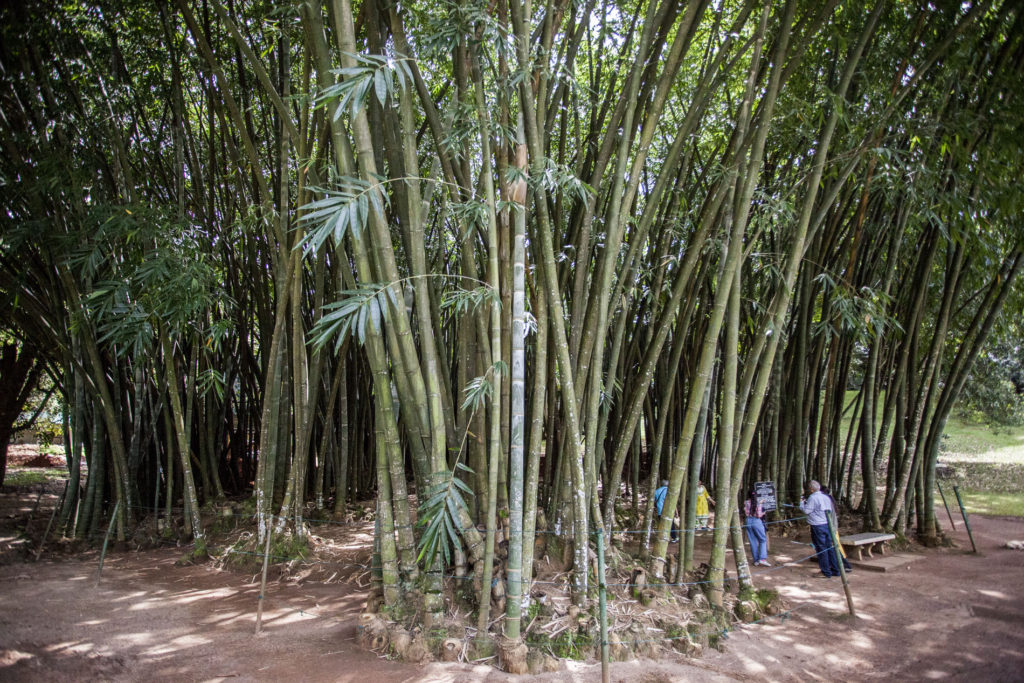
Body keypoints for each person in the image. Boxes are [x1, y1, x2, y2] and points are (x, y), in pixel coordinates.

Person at [800, 480, 840, 578]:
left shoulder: (813, 498)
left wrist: (801, 502)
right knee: (829, 547)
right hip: (827, 524)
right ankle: (835, 570)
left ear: (811, 489)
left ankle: (825, 572)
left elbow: (806, 511)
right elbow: (829, 510)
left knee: (821, 548)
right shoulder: (826, 497)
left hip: (817, 526)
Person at [821, 486, 852, 572]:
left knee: (835, 546)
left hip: (832, 528)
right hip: (833, 527)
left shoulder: (826, 501)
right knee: (834, 546)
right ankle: (838, 565)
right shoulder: (829, 499)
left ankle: (846, 565)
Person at [744, 487, 771, 567]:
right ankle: (762, 559)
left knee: (753, 541)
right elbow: (759, 515)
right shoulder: (758, 502)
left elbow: (746, 512)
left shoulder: (746, 502)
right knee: (762, 539)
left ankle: (756, 560)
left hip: (748, 521)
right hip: (756, 521)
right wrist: (764, 512)